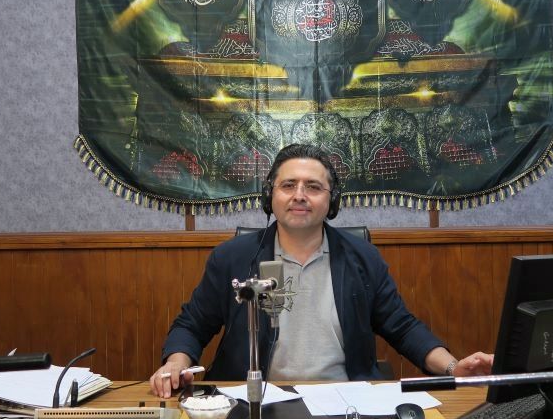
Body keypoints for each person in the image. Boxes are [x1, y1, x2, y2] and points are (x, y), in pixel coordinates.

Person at [150, 144, 493, 397]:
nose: (300, 196)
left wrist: (453, 368)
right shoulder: (232, 258)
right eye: (288, 185)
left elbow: (402, 327)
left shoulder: (362, 257)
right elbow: (191, 325)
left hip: (343, 400)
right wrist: (176, 364)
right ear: (270, 196)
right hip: (254, 401)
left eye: (313, 187)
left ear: (332, 201)